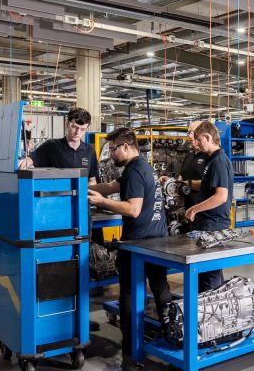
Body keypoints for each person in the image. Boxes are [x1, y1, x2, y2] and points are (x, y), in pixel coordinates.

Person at [88, 128, 171, 370]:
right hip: (157, 240)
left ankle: (130, 345)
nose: (111, 154)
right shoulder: (142, 166)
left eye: (112, 149)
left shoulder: (135, 170)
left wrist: (101, 203)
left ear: (125, 146)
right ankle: (171, 331)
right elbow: (112, 185)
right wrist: (83, 189)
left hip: (138, 243)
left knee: (129, 293)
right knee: (159, 286)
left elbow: (133, 209)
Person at [18, 107, 103, 244]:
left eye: (82, 129)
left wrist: (87, 194)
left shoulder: (89, 151)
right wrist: (25, 161)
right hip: (55, 208)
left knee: (83, 243)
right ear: (67, 123)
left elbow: (92, 180)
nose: (77, 132)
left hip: (81, 209)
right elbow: (32, 159)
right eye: (74, 127)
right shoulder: (51, 146)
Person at [184, 121, 233, 292]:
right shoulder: (211, 160)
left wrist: (194, 209)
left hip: (214, 225)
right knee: (208, 274)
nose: (195, 143)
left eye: (198, 139)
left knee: (209, 276)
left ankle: (210, 315)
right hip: (208, 223)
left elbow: (221, 197)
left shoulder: (218, 161)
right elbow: (206, 187)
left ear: (207, 137)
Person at [159, 121, 207, 230]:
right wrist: (170, 182)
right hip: (188, 210)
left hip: (203, 212)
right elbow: (181, 177)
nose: (189, 136)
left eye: (192, 132)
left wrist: (188, 184)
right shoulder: (189, 156)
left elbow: (208, 184)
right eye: (188, 133)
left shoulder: (208, 157)